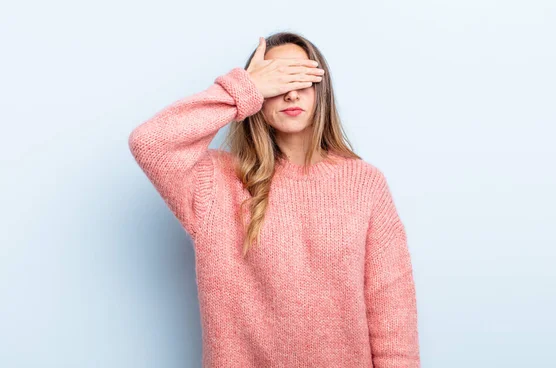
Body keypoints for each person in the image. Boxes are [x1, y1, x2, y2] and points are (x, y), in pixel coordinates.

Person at [128, 31, 420, 367]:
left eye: (302, 79)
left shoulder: (364, 183)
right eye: (278, 81)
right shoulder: (215, 183)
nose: (291, 92)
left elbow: (392, 311)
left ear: (320, 92)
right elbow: (150, 143)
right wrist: (243, 90)